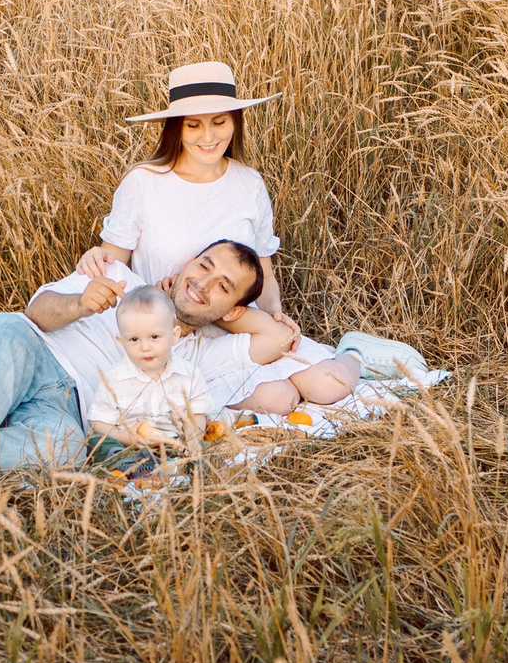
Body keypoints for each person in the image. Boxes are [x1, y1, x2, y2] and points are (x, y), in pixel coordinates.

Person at [0, 241, 298, 487]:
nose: (201, 283)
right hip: (25, 347)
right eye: (203, 266)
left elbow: (278, 338)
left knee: (64, 454)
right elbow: (37, 312)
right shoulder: (120, 275)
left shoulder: (203, 353)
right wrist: (80, 303)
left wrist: (228, 313)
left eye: (223, 286)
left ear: (234, 309)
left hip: (66, 412)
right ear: (186, 263)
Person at [76, 61, 361, 415]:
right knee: (280, 398)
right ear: (176, 128)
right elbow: (112, 269)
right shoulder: (144, 182)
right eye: (194, 125)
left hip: (238, 322)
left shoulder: (249, 183)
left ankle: (355, 352)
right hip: (174, 332)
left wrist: (274, 312)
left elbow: (264, 272)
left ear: (235, 122)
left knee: (330, 385)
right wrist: (94, 260)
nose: (208, 137)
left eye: (219, 122)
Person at [89, 285, 217, 451]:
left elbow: (196, 415)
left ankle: (186, 460)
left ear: (174, 336)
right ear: (122, 342)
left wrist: (192, 441)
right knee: (97, 442)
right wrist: (124, 437)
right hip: (130, 446)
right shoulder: (114, 379)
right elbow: (98, 421)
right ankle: (126, 463)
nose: (145, 347)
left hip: (175, 443)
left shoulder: (189, 375)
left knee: (206, 444)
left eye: (154, 337)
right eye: (134, 339)